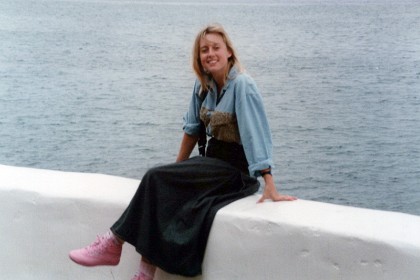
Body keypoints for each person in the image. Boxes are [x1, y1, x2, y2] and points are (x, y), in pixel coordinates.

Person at [69, 23, 297, 280]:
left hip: (235, 172)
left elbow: (257, 133)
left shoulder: (242, 85)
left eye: (215, 48)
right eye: (204, 50)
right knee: (162, 186)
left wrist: (269, 182)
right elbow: (191, 129)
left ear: (229, 52)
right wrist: (176, 170)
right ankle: (144, 274)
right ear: (198, 57)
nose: (210, 53)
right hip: (211, 164)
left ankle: (114, 242)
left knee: (155, 177)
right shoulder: (203, 85)